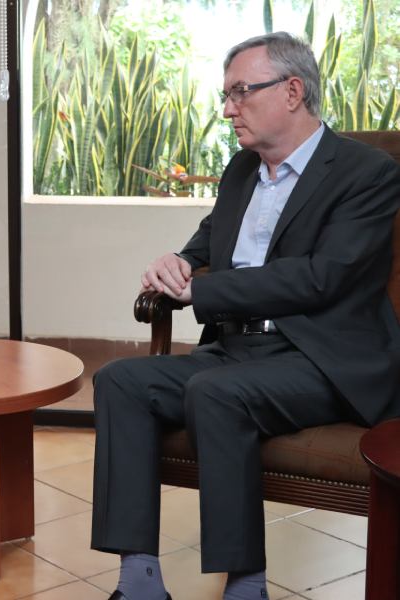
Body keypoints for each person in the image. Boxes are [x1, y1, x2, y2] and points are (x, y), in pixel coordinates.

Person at [91, 32, 400, 600]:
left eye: (240, 92)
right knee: (119, 380)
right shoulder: (242, 169)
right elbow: (210, 238)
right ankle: (138, 585)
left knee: (216, 392)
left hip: (320, 358)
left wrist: (200, 296)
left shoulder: (366, 173)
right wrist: (179, 261)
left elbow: (321, 277)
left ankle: (245, 588)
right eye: (225, 95)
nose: (228, 108)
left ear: (291, 91)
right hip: (236, 351)